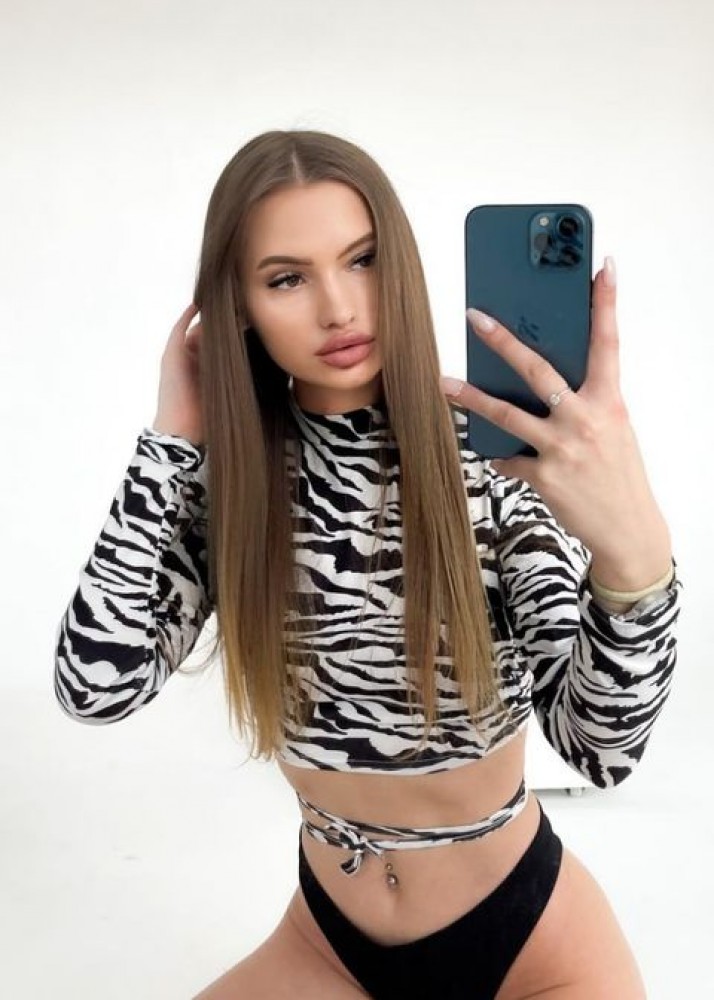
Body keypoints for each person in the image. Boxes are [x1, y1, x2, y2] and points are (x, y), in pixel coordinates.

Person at [54, 130, 680, 999]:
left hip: (529, 948)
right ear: (236, 308)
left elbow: (600, 747)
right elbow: (96, 687)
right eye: (287, 278)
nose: (340, 309)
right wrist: (169, 446)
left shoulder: (493, 462)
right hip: (327, 946)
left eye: (363, 259)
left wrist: (633, 556)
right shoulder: (232, 491)